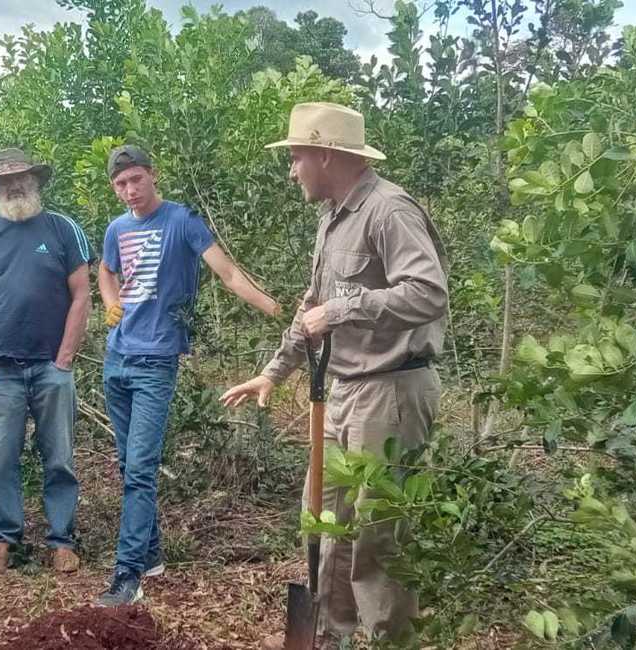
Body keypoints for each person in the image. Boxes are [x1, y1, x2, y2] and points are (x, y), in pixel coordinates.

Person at [219, 103, 449, 648]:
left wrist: (343, 310)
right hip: (343, 392)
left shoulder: (389, 211)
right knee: (325, 521)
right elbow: (312, 309)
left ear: (325, 155)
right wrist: (274, 372)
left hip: (390, 392)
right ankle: (330, 636)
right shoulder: (332, 218)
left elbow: (429, 293)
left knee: (378, 535)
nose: (291, 171)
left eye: (296, 157)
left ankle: (389, 641)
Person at [95, 145, 281, 606]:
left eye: (136, 179)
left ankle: (128, 574)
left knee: (140, 468)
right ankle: (152, 556)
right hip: (117, 358)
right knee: (129, 467)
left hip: (156, 360)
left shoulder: (183, 220)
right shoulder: (117, 229)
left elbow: (228, 273)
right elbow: (105, 271)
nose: (130, 190)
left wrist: (279, 311)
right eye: (120, 184)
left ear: (152, 175)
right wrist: (110, 302)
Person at [0, 149, 91, 574]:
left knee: (59, 456)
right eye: (5, 180)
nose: (14, 185)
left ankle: (61, 539)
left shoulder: (63, 228)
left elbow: (82, 295)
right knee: (0, 458)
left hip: (51, 366)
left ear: (36, 181)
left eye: (21, 177)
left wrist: (65, 358)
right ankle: (5, 539)